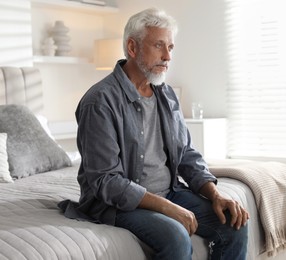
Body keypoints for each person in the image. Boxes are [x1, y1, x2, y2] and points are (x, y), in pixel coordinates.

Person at [61, 7, 249, 260]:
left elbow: (186, 156)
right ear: (132, 47)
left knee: (233, 223)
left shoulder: (167, 95)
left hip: (169, 191)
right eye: (159, 45)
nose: (167, 56)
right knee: (176, 237)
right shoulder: (100, 102)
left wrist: (215, 194)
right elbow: (105, 181)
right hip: (115, 204)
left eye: (170, 47)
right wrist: (167, 207)